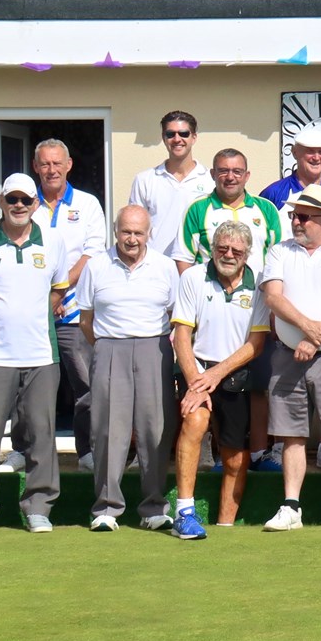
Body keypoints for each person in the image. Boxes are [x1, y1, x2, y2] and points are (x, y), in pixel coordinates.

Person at [0, 174, 70, 535]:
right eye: (11, 200)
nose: (18, 206)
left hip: (40, 355)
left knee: (41, 432)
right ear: (1, 202)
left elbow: (58, 290)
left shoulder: (52, 240)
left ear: (36, 204)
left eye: (25, 200)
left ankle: (39, 507)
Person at [259, 186, 321, 531]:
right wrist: (308, 331)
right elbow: (274, 298)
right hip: (289, 354)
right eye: (294, 216)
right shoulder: (278, 252)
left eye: (302, 217)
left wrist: (314, 340)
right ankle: (291, 505)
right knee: (291, 434)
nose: (296, 222)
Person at [80, 205, 181, 533]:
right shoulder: (96, 266)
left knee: (155, 429)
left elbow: (175, 314)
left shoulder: (165, 267)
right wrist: (106, 349)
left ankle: (153, 507)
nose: (132, 239)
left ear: (148, 233)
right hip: (110, 347)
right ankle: (107, 508)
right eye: (126, 232)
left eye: (138, 232)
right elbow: (85, 320)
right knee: (109, 430)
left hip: (154, 348)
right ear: (116, 232)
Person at [173, 221, 271, 535]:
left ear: (247, 253)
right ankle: (184, 513)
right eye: (222, 248)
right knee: (195, 421)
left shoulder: (259, 284)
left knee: (233, 459)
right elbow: (182, 335)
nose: (228, 255)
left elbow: (255, 344)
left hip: (233, 375)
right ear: (212, 249)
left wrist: (215, 375)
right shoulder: (193, 277)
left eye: (236, 250)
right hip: (197, 371)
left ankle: (224, 525)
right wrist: (197, 381)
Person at [28, 138, 105, 472]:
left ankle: (86, 450)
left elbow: (93, 253)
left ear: (69, 165)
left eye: (57, 163)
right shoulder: (25, 204)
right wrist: (46, 298)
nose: (51, 170)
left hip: (75, 312)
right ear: (36, 167)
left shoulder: (87, 204)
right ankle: (23, 449)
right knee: (28, 385)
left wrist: (59, 292)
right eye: (45, 164)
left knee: (86, 385)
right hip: (34, 312)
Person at [128, 110, 214, 271]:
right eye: (170, 134)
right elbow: (135, 227)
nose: (177, 139)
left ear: (194, 137)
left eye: (183, 133)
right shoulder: (145, 180)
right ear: (163, 138)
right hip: (154, 270)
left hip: (199, 271)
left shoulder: (210, 180)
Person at [174, 149, 284, 270]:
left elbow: (279, 255)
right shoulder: (197, 209)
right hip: (210, 288)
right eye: (223, 171)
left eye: (237, 172)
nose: (230, 177)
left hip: (257, 288)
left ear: (246, 176)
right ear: (212, 174)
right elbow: (183, 259)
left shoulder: (267, 208)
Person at [259, 123, 321, 247]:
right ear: (294, 153)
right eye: (310, 151)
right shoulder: (273, 194)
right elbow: (260, 241)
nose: (316, 158)